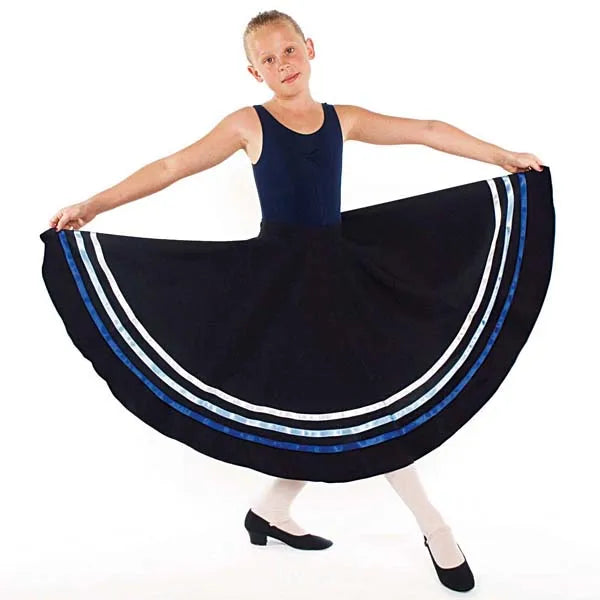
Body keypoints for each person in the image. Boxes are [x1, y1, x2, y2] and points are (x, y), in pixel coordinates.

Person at [40, 10, 555, 593]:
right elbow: (171, 166)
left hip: (339, 275)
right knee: (362, 409)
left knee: (336, 404)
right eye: (268, 59)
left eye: (289, 50)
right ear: (254, 72)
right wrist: (93, 206)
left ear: (310, 48)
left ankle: (270, 511)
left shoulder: (343, 118)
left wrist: (501, 156)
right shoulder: (248, 124)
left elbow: (428, 129)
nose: (282, 64)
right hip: (282, 283)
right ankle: (436, 529)